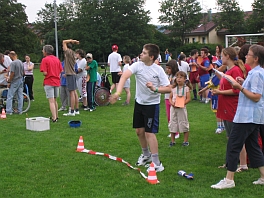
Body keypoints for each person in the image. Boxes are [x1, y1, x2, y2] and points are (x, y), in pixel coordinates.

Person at [110, 44, 171, 172]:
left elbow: (169, 88)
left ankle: (157, 163)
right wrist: (117, 93)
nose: (140, 54)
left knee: (149, 133)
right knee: (139, 131)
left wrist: (155, 89)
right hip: (139, 103)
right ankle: (146, 155)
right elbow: (124, 76)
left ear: (151, 56)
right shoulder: (137, 65)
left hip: (152, 105)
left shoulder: (158, 70)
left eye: (144, 53)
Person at [211, 44, 264, 189]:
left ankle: (229, 180)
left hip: (248, 116)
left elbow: (256, 97)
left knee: (234, 145)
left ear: (256, 58)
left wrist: (239, 86)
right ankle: (263, 176)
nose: (245, 56)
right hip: (250, 116)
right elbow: (252, 90)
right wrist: (242, 83)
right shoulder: (254, 72)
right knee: (253, 146)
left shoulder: (258, 73)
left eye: (249, 55)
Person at [169, 71, 191, 146]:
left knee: (183, 122)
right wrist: (172, 103)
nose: (179, 79)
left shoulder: (186, 88)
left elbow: (188, 99)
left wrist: (182, 103)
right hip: (173, 108)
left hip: (182, 108)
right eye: (177, 77)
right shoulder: (174, 88)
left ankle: (185, 141)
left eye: (181, 77)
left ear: (185, 79)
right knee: (172, 122)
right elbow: (170, 98)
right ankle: (172, 141)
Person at [40, 45, 62, 122]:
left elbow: (45, 73)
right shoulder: (57, 59)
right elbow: (60, 71)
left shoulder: (45, 60)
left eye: (43, 50)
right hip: (57, 81)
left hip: (49, 81)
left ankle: (54, 118)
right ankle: (56, 115)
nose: (42, 51)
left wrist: (47, 73)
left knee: (51, 100)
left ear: (46, 51)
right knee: (55, 100)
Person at [62, 39, 80, 116]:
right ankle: (76, 109)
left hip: (70, 75)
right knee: (74, 92)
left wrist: (73, 41)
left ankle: (72, 111)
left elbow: (64, 41)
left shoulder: (68, 52)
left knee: (71, 93)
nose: (63, 47)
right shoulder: (72, 53)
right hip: (71, 74)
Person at [165, 60, 180, 139]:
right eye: (167, 68)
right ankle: (172, 131)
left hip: (174, 98)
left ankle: (176, 132)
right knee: (169, 116)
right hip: (167, 98)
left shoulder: (176, 77)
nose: (167, 70)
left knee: (174, 116)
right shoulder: (168, 76)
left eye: (169, 68)